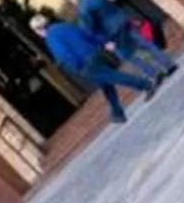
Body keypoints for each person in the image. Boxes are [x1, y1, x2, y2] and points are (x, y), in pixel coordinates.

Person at [32, 9, 163, 124]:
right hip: (95, 53)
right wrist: (103, 43)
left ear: (39, 30)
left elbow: (64, 55)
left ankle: (146, 85)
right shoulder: (64, 25)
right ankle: (117, 113)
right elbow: (86, 34)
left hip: (85, 63)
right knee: (106, 83)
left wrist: (77, 67)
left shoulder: (51, 38)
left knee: (114, 77)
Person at [66, 0, 175, 83]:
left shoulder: (82, 7)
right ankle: (168, 64)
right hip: (123, 21)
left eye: (71, 0)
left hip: (112, 33)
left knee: (129, 55)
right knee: (144, 43)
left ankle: (154, 73)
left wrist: (101, 42)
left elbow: (88, 28)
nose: (72, 2)